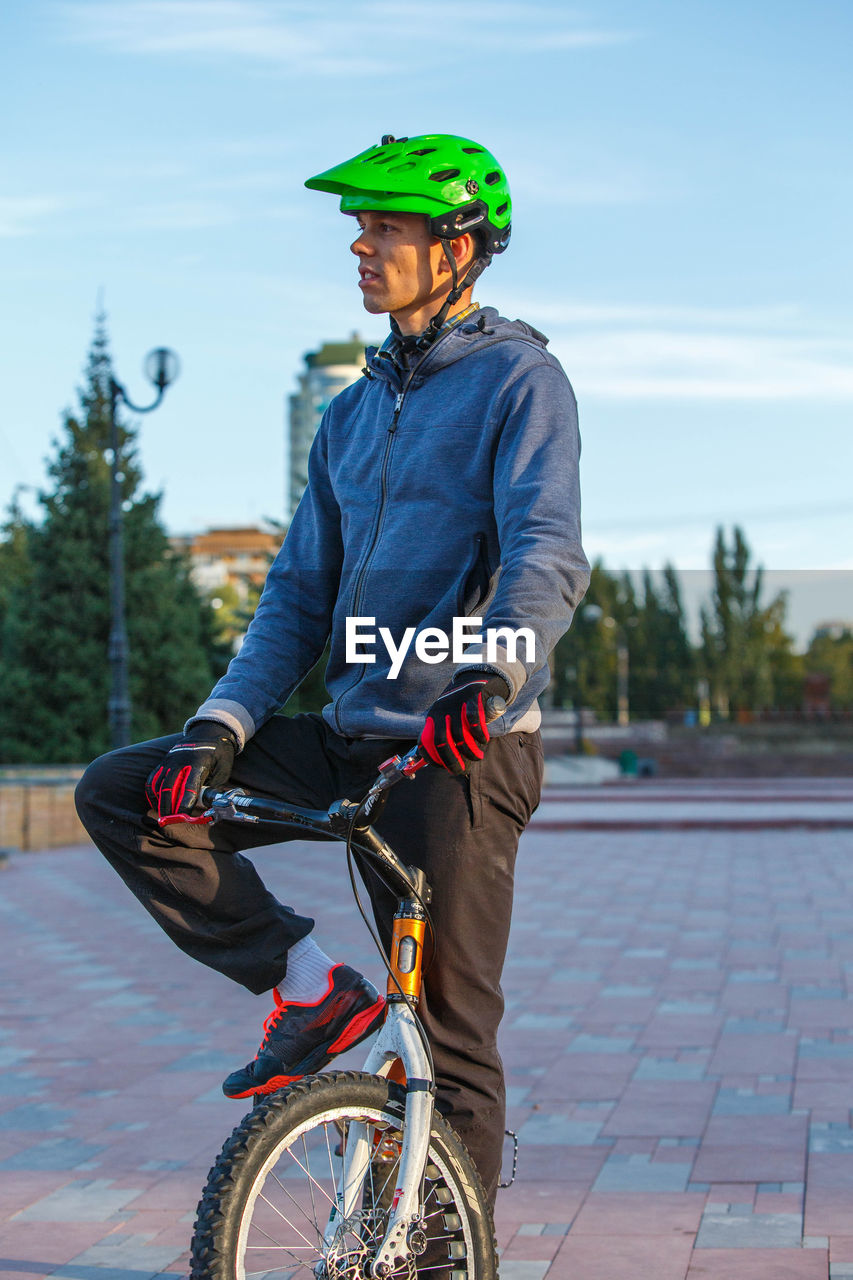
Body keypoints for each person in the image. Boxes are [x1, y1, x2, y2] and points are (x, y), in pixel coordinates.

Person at [75, 132, 590, 1206]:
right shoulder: (352, 412)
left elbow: (546, 549)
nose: (361, 243)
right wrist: (220, 724)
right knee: (128, 791)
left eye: (386, 225)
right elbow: (298, 596)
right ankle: (310, 987)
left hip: (461, 749)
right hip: (352, 735)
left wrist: (488, 675)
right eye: (357, 225)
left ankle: (444, 1252)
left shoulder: (519, 381)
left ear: (456, 245)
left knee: (448, 1036)